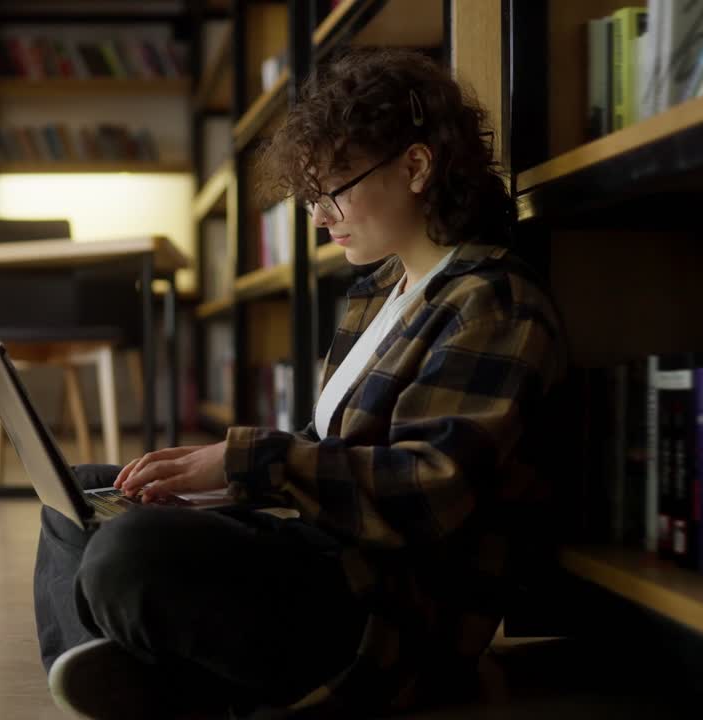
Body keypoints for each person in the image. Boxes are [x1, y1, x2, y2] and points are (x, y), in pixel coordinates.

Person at [33, 46, 567, 719]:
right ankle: (108, 674)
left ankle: (147, 679)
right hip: (320, 552)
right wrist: (221, 491)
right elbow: (334, 445)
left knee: (129, 552)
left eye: (334, 190)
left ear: (416, 166)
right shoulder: (378, 292)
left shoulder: (493, 302)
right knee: (81, 490)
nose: (319, 218)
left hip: (384, 610)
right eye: (313, 196)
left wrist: (248, 462)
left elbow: (431, 492)